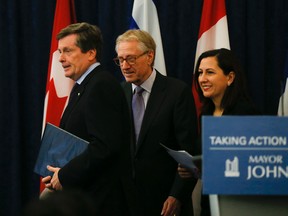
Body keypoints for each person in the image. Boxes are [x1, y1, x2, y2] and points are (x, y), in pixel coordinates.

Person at [41, 22, 132, 216]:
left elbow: (105, 146)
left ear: (90, 53)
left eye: (67, 51)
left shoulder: (101, 85)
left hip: (101, 201)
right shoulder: (83, 86)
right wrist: (56, 171)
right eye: (59, 52)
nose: (61, 59)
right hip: (84, 196)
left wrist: (65, 175)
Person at [114, 29, 198, 216]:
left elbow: (189, 151)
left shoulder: (176, 92)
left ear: (149, 56)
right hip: (126, 202)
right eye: (120, 60)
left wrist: (177, 196)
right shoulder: (118, 93)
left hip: (165, 202)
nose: (124, 66)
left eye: (131, 59)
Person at [178, 48, 261, 216]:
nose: (202, 79)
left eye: (210, 72)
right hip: (210, 203)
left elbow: (249, 166)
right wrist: (191, 167)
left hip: (236, 205)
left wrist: (204, 167)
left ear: (230, 77)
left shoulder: (245, 113)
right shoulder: (206, 113)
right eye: (200, 73)